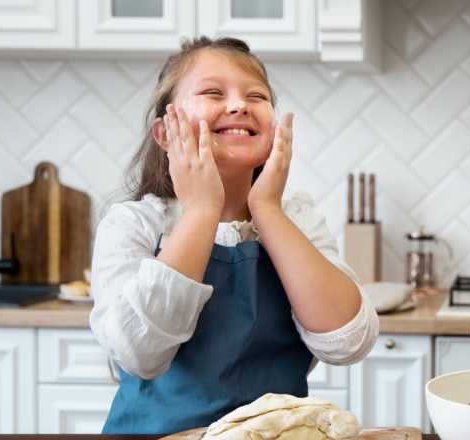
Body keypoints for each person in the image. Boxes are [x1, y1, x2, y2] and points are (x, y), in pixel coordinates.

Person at [90, 36, 379, 434]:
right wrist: (202, 211)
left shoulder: (296, 218)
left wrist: (269, 211)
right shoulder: (134, 224)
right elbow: (140, 352)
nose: (239, 105)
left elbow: (349, 342)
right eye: (212, 92)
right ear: (163, 132)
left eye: (256, 95)